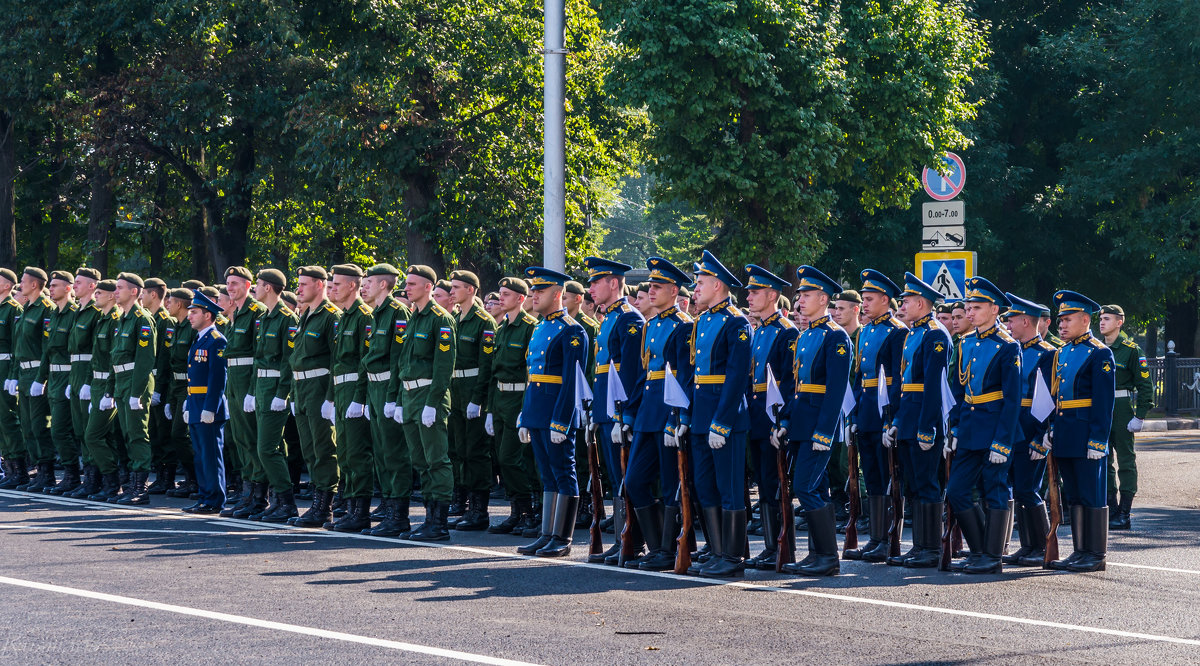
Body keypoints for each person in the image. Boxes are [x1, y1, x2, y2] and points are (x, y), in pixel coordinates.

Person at [772, 266, 851, 577]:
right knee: (814, 488)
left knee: (805, 487)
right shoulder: (806, 336)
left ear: (822, 298)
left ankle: (829, 557)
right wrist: (787, 421)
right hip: (803, 421)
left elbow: (835, 392)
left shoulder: (836, 337)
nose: (800, 300)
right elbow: (797, 387)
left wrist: (824, 432)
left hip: (819, 424)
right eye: (799, 295)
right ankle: (820, 554)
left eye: (806, 295)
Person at [682, 250, 751, 578]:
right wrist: (689, 418)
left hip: (726, 419)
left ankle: (732, 556)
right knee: (704, 486)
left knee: (729, 486)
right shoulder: (703, 320)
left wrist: (721, 423)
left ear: (719, 285)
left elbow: (737, 378)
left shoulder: (736, 322)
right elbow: (695, 377)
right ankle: (717, 548)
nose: (695, 288)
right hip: (701, 417)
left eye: (701, 282)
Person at [621, 257, 693, 571]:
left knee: (670, 485)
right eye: (650, 286)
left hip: (668, 415)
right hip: (648, 414)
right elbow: (642, 376)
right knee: (634, 481)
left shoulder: (683, 326)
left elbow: (684, 380)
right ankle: (654, 546)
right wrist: (628, 415)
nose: (651, 291)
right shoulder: (652, 325)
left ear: (674, 291)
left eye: (657, 286)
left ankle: (669, 549)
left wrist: (677, 419)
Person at [945, 277, 1020, 574]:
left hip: (994, 429)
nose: (970, 313)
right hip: (970, 428)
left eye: (976, 307)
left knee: (995, 491)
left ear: (994, 309)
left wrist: (1003, 442)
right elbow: (959, 393)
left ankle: (992, 555)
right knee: (957, 491)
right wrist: (955, 429)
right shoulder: (965, 343)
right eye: (968, 307)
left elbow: (1012, 401)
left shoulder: (1007, 346)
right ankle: (978, 549)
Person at [514, 266, 588, 557]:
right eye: (533, 290)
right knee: (546, 474)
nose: (534, 294)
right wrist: (525, 414)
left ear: (558, 294)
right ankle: (547, 533)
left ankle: (562, 538)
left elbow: (572, 382)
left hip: (556, 412)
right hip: (537, 410)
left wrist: (562, 421)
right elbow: (532, 375)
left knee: (563, 471)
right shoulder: (539, 327)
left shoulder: (572, 330)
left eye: (540, 290)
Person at [1045, 290, 1115, 572]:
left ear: (1085, 319)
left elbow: (1104, 401)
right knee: (1073, 493)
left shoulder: (1100, 353)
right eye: (1060, 320)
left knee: (1091, 493)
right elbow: (1055, 397)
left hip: (1087, 434)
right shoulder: (1062, 352)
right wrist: (1051, 428)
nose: (1061, 325)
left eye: (1067, 319)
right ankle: (1079, 550)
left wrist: (1098, 439)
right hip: (1066, 433)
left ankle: (1095, 554)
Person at [884, 273, 950, 567]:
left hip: (926, 418)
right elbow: (902, 382)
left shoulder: (935, 334)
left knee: (927, 483)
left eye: (907, 300)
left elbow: (935, 387)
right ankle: (920, 545)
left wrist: (928, 427)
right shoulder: (913, 333)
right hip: (909, 416)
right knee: (913, 484)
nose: (903, 305)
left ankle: (931, 547)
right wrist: (897, 419)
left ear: (921, 303)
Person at [584, 257, 646, 565]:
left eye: (596, 282)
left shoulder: (628, 319)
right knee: (613, 477)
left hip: (620, 412)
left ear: (613, 283)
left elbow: (632, 374)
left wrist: (626, 416)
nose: (590, 288)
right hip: (606, 411)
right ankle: (623, 537)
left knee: (625, 476)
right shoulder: (607, 319)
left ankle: (632, 540)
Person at [843, 270, 906, 562]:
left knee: (887, 474)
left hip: (883, 412)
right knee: (871, 477)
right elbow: (859, 378)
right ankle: (876, 538)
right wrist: (853, 415)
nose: (865, 304)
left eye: (869, 299)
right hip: (866, 411)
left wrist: (890, 419)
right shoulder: (866, 331)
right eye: (863, 299)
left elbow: (896, 380)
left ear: (885, 299)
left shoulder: (898, 332)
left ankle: (889, 538)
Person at [392, 265, 457, 541]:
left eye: (413, 284)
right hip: (409, 395)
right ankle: (429, 518)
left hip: (429, 395)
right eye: (407, 283)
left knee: (436, 461)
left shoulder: (440, 319)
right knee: (420, 460)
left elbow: (444, 366)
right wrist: (398, 400)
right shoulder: (413, 318)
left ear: (428, 287)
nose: (407, 288)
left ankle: (439, 523)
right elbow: (403, 364)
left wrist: (433, 402)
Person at [743, 264, 798, 570]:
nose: (749, 297)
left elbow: (790, 382)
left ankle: (784, 545)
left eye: (755, 292)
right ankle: (769, 544)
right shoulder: (759, 330)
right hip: (756, 416)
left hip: (773, 418)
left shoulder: (785, 332)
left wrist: (784, 421)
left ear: (773, 295)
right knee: (764, 483)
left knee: (777, 483)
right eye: (749, 292)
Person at [1001, 293, 1057, 566]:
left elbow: (1048, 401)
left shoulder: (1046, 354)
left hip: (1030, 429)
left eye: (1012, 319)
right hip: (1012, 428)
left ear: (1025, 320)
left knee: (1027, 488)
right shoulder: (1013, 350)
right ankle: (1027, 545)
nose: (1008, 324)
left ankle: (1041, 545)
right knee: (1017, 487)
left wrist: (1040, 438)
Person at [360, 263, 413, 536]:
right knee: (381, 453)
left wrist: (393, 397)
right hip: (374, 387)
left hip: (388, 389)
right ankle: (389, 509)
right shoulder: (375, 315)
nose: (363, 287)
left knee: (394, 453)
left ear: (383, 284)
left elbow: (397, 359)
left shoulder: (397, 312)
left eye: (368, 282)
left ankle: (399, 515)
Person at [485, 277, 541, 536]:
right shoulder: (502, 328)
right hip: (500, 400)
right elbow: (493, 372)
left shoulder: (530, 327)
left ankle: (530, 513)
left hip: (519, 400)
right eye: (500, 293)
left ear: (521, 298)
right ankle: (516, 512)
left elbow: (532, 373)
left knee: (515, 459)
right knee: (504, 459)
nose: (500, 299)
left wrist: (526, 408)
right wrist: (489, 409)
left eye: (506, 294)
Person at [287, 266, 341, 528]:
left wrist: (330, 397)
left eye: (304, 284)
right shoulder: (305, 316)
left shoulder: (331, 316)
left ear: (320, 285)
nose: (298, 289)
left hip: (320, 389)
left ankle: (325, 506)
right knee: (309, 449)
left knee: (323, 449)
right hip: (302, 388)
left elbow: (336, 361)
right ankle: (317, 503)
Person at [323, 263, 374, 531]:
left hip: (354, 390)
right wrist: (330, 398)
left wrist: (360, 398)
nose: (334, 288)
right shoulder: (344, 317)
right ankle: (351, 508)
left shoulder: (364, 316)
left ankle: (361, 511)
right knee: (344, 453)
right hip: (342, 390)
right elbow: (336, 363)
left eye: (338, 284)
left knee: (357, 453)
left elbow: (365, 361)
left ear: (352, 285)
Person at [247, 268, 300, 523]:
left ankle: (287, 501)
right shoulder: (264, 317)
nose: (254, 288)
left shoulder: (286, 318)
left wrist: (283, 393)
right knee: (271, 447)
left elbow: (290, 360)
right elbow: (259, 358)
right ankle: (279, 500)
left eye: (257, 284)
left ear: (268, 287)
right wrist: (251, 391)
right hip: (261, 386)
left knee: (267, 448)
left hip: (275, 388)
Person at [446, 270, 497, 530]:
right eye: (451, 287)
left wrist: (478, 399)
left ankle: (480, 510)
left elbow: (486, 365)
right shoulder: (454, 317)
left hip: (472, 390)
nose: (452, 291)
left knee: (476, 452)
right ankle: (463, 502)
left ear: (471, 291)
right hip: (454, 390)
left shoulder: (484, 321)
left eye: (457, 287)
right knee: (457, 450)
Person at [1097, 304, 1152, 530]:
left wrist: (1139, 416)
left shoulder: (1131, 350)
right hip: (1101, 407)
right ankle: (1110, 507)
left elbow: (1145, 386)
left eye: (1107, 319)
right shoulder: (1098, 348)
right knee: (1103, 458)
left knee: (1126, 461)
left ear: (1119, 322)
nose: (1102, 322)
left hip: (1121, 408)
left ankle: (1125, 511)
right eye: (1100, 318)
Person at [108, 273, 158, 504]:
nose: (116, 292)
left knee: (138, 434)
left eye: (120, 288)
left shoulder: (142, 319)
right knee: (126, 434)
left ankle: (140, 487)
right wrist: (111, 389)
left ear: (134, 292)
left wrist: (136, 392)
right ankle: (130, 483)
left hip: (134, 382)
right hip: (121, 382)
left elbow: (145, 360)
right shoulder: (123, 319)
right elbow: (115, 358)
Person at [221, 267, 267, 517]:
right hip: (234, 380)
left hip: (248, 380)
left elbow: (259, 356)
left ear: (248, 285)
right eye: (228, 283)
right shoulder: (236, 313)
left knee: (251, 439)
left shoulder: (256, 312)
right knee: (238, 439)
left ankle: (258, 497)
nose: (230, 287)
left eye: (235, 283)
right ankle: (247, 492)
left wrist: (252, 390)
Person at [181, 288, 230, 514]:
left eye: (195, 312)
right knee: (200, 455)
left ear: (208, 315)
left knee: (211, 455)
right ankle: (204, 496)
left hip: (209, 406)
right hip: (196, 404)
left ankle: (214, 499)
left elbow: (217, 378)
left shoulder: (216, 341)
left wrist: (210, 407)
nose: (189, 315)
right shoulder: (200, 339)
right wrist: (188, 402)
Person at [36, 270, 80, 494]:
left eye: (55, 286)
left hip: (67, 375)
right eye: (50, 286)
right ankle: (65, 475)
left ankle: (72, 475)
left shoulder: (74, 313)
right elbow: (48, 351)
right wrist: (40, 378)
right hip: (53, 376)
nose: (51, 289)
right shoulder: (54, 313)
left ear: (68, 288)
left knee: (61, 429)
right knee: (56, 429)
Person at [12, 267, 56, 492]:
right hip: (23, 372)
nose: (20, 284)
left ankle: (47, 473)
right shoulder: (25, 308)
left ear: (35, 284)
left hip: (38, 372)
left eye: (23, 281)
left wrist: (42, 378)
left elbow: (48, 347)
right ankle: (39, 471)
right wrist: (13, 375)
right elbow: (17, 346)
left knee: (40, 426)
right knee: (28, 427)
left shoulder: (45, 309)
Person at [63, 268, 103, 497]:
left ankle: (95, 478)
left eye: (78, 282)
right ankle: (87, 476)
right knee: (79, 429)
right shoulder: (78, 310)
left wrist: (88, 380)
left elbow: (96, 352)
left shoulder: (96, 312)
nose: (74, 286)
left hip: (88, 371)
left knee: (90, 430)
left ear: (91, 286)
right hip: (75, 371)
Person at [84, 280, 124, 502]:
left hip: (109, 384)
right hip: (98, 383)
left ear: (110, 297)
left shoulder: (115, 321)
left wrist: (109, 392)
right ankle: (105, 482)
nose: (95, 296)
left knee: (93, 435)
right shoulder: (102, 320)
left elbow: (113, 359)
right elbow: (96, 359)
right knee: (102, 436)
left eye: (99, 293)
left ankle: (111, 480)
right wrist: (90, 384)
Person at [141, 277, 178, 494]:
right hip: (151, 383)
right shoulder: (150, 318)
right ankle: (160, 475)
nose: (141, 297)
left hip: (161, 386)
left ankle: (167, 478)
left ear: (153, 294)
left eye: (144, 293)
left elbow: (165, 359)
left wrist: (160, 389)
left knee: (164, 434)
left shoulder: (166, 321)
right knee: (153, 433)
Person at [162, 288, 199, 500]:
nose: (168, 304)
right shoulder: (177, 327)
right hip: (175, 387)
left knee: (181, 434)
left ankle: (195, 478)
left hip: (188, 386)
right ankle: (190, 478)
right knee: (177, 435)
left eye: (171, 301)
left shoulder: (192, 328)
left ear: (181, 304)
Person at [0, 269, 23, 489]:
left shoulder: (14, 310)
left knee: (8, 418)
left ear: (7, 285)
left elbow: (18, 346)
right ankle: (7, 468)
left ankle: (18, 468)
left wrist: (13, 375)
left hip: (6, 366)